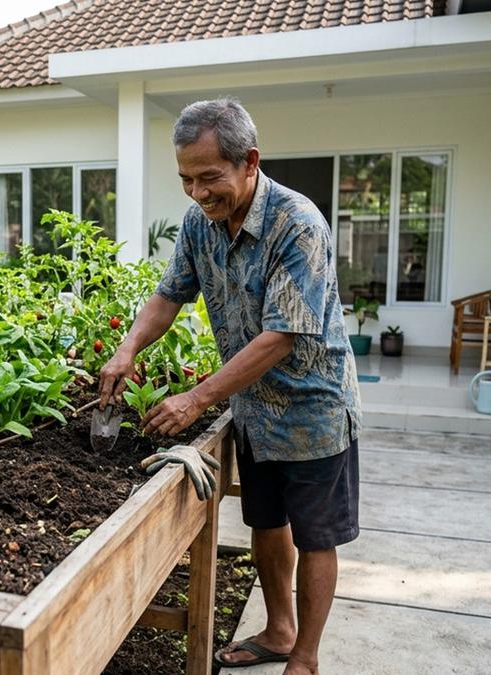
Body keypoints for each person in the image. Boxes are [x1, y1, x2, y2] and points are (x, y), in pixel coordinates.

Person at [99, 97, 360, 675]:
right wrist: (127, 349)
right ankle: (280, 630)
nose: (196, 193)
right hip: (253, 407)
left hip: (314, 406)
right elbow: (170, 294)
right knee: (266, 524)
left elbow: (281, 337)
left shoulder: (298, 223)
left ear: (249, 162)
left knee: (317, 535)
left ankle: (307, 658)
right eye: (186, 179)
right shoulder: (200, 223)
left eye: (209, 177)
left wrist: (197, 397)